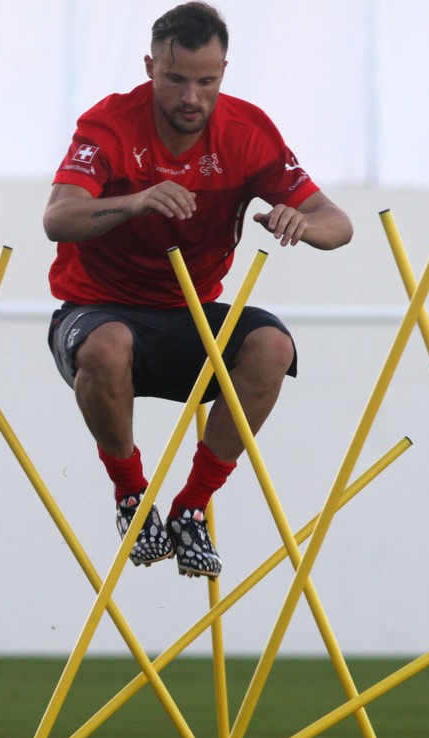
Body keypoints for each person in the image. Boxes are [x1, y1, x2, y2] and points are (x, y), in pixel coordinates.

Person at [43, 2, 352, 579]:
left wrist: (303, 223)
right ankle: (132, 497)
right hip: (97, 311)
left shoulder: (246, 132)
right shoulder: (108, 124)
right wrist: (135, 200)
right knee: (107, 344)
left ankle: (191, 507)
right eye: (176, 79)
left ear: (224, 73)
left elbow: (340, 225)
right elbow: (59, 219)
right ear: (150, 68)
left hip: (190, 315)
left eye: (206, 81)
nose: (192, 97)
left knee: (273, 347)